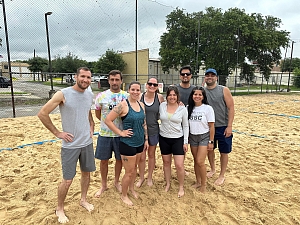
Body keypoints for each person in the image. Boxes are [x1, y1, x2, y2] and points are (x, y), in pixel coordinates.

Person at [37, 67, 95, 223]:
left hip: (87, 143)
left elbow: (87, 111)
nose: (85, 80)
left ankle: (83, 199)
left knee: (86, 174)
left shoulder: (89, 94)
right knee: (68, 180)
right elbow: (42, 113)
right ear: (76, 77)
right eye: (82, 76)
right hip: (70, 145)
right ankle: (60, 208)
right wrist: (57, 133)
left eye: (88, 77)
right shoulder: (63, 94)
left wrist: (91, 125)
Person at [105, 81, 149, 206]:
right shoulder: (123, 105)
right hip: (128, 143)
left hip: (140, 141)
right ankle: (124, 195)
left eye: (138, 90)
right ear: (128, 90)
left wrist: (146, 139)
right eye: (133, 90)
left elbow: (143, 123)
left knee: (134, 170)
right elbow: (108, 120)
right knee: (129, 172)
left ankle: (131, 189)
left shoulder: (141, 105)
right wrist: (120, 132)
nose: (135, 92)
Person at [94, 70, 129, 197]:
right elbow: (98, 115)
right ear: (108, 81)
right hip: (105, 134)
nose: (114, 82)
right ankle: (103, 185)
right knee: (104, 161)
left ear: (121, 81)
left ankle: (116, 181)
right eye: (112, 80)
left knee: (119, 160)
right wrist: (107, 124)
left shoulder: (126, 96)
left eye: (117, 80)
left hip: (121, 134)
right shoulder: (101, 96)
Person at [204, 68, 235, 186]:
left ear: (216, 77)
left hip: (222, 126)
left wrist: (230, 126)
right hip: (208, 127)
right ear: (205, 77)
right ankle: (213, 169)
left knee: (224, 152)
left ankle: (222, 175)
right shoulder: (202, 91)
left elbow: (231, 108)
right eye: (207, 75)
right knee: (209, 149)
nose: (210, 77)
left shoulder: (223, 90)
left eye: (212, 75)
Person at [159, 85, 189, 197]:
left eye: (174, 95)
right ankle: (168, 183)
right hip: (164, 138)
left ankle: (181, 186)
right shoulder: (162, 106)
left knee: (179, 165)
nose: (172, 97)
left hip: (178, 139)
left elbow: (186, 126)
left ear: (177, 96)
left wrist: (185, 141)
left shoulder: (182, 108)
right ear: (166, 96)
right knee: (166, 163)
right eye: (170, 95)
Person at [136, 77, 164, 187]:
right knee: (142, 157)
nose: (152, 86)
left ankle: (150, 177)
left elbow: (168, 108)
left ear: (157, 87)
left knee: (151, 155)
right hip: (140, 131)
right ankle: (142, 177)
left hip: (153, 130)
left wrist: (179, 104)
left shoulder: (160, 98)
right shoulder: (140, 96)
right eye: (150, 84)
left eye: (155, 85)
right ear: (146, 85)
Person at [187, 86, 215, 193]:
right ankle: (198, 181)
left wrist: (211, 141)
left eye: (200, 94)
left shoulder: (207, 108)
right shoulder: (188, 108)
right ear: (192, 96)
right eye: (195, 94)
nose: (197, 96)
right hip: (193, 137)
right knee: (195, 161)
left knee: (200, 161)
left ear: (203, 96)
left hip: (204, 136)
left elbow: (212, 126)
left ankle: (204, 184)